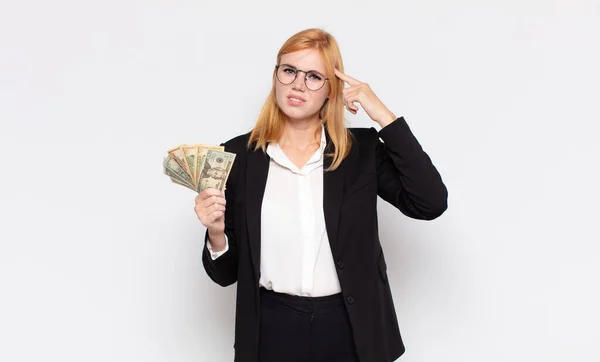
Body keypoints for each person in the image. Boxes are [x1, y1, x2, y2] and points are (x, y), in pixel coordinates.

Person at [194, 28, 448, 362]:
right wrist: (215, 232)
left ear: (332, 89)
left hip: (350, 327)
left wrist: (382, 114)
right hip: (271, 327)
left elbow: (429, 202)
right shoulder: (237, 155)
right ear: (276, 77)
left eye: (315, 76)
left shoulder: (361, 153)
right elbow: (225, 275)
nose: (298, 84)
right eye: (289, 71)